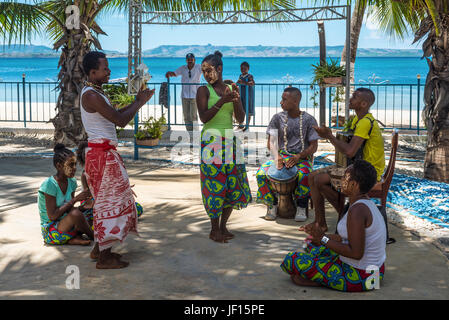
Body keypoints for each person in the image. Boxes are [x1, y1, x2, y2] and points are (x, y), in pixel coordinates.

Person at [80, 51, 154, 269]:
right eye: (105, 68)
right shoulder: (91, 95)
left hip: (104, 155)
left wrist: (137, 101)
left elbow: (114, 116)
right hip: (102, 156)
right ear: (93, 72)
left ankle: (99, 249)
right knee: (108, 204)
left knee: (114, 202)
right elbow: (121, 120)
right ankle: (104, 258)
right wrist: (139, 102)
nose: (109, 71)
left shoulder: (95, 92)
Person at [281, 160, 387, 292]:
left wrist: (323, 239)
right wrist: (319, 236)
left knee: (291, 260)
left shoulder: (357, 211)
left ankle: (324, 281)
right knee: (309, 244)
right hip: (375, 273)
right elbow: (346, 238)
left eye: (344, 177)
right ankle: (323, 277)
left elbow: (356, 253)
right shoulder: (362, 203)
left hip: (364, 277)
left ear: (354, 184)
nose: (341, 180)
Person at [306, 88, 385, 232]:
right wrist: (328, 134)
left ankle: (345, 215)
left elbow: (350, 151)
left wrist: (329, 136)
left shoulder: (365, 122)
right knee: (312, 176)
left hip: (367, 172)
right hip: (356, 167)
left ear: (363, 104)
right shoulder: (356, 119)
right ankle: (321, 222)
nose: (350, 99)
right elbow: (345, 139)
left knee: (319, 180)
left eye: (354, 97)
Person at [196, 51, 252, 243]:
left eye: (209, 70)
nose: (206, 74)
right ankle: (214, 229)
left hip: (229, 141)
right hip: (211, 143)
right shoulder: (203, 91)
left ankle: (223, 226)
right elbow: (204, 117)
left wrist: (235, 99)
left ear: (219, 69)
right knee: (214, 186)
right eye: (203, 71)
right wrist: (222, 101)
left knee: (231, 185)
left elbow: (241, 118)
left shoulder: (230, 88)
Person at [256, 87, 319, 222]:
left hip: (301, 158)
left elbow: (314, 146)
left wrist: (299, 156)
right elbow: (271, 142)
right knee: (261, 174)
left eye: (284, 99)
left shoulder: (309, 120)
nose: (281, 102)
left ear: (295, 101)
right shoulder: (277, 118)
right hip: (281, 156)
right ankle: (271, 205)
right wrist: (277, 156)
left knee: (305, 174)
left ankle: (301, 206)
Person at [38, 144, 93, 246]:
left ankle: (72, 238)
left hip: (65, 222)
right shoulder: (50, 185)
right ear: (59, 166)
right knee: (76, 215)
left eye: (75, 164)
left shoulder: (71, 182)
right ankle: (93, 236)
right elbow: (53, 216)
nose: (74, 168)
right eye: (70, 165)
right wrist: (76, 199)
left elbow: (69, 209)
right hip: (51, 230)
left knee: (91, 212)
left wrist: (83, 207)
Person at [166, 53, 202, 133]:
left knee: (193, 116)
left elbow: (207, 70)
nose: (190, 61)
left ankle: (195, 133)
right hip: (184, 95)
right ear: (186, 60)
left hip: (195, 95)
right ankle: (189, 133)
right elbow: (175, 74)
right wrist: (169, 73)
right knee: (186, 116)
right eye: (188, 59)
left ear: (194, 60)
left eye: (191, 59)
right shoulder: (183, 68)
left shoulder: (198, 67)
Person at [236, 61, 255, 131]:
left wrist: (244, 82)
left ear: (248, 68)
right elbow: (238, 83)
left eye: (244, 68)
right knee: (242, 109)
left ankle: (247, 125)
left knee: (248, 110)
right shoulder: (240, 76)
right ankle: (241, 124)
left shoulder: (250, 76)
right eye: (241, 68)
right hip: (242, 95)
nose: (243, 70)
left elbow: (252, 83)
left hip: (248, 95)